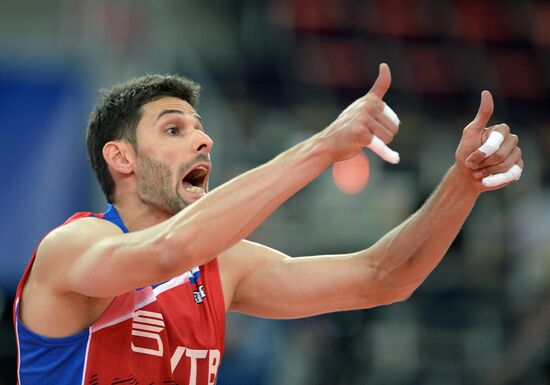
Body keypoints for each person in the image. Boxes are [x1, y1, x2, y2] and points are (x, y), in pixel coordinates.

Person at [13, 63, 523, 384]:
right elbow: (165, 252)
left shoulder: (221, 266)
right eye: (174, 128)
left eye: (200, 128)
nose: (203, 140)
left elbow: (383, 277)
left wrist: (463, 183)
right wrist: (324, 146)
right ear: (120, 159)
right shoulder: (74, 245)